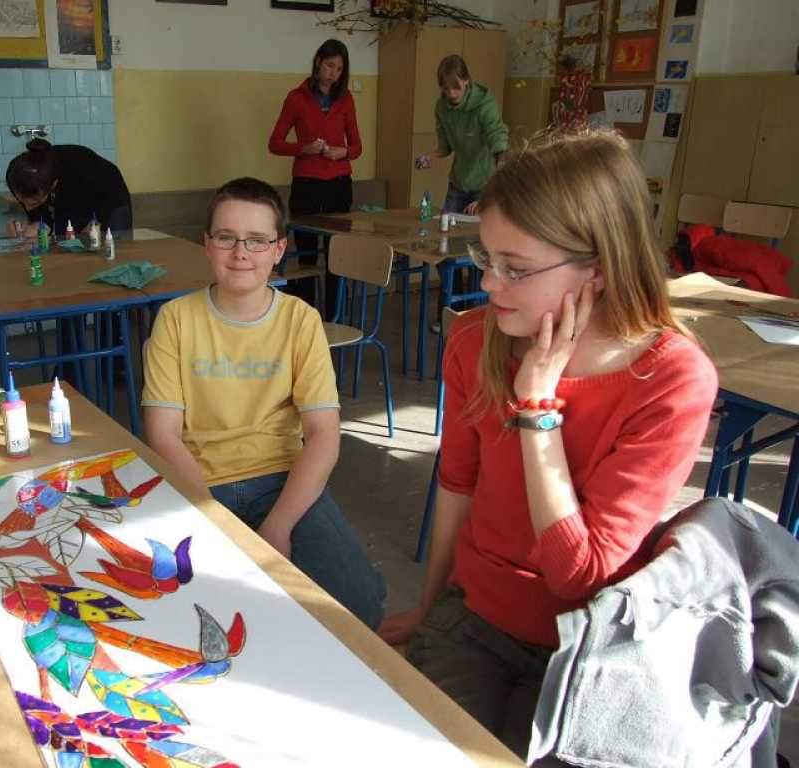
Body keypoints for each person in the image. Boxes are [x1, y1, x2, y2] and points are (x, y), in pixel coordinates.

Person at [379, 132, 718, 762]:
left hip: (584, 643)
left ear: (600, 267)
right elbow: (457, 484)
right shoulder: (476, 340)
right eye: (486, 258)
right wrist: (429, 607)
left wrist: (538, 405)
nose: (488, 282)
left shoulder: (671, 379)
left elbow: (577, 574)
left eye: (516, 268)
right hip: (475, 616)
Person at [141, 177, 385, 630]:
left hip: (281, 479)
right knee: (189, 613)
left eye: (257, 240)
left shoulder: (300, 320)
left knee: (361, 604)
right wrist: (212, 519)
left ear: (278, 249)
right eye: (226, 237)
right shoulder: (175, 319)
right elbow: (164, 434)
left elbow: (323, 435)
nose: (241, 252)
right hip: (199, 483)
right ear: (207, 244)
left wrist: (278, 527)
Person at [269, 38, 362, 318]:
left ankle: (335, 318)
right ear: (318, 62)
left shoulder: (345, 99)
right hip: (307, 185)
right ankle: (306, 318)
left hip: (338, 184)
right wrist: (305, 148)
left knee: (337, 254)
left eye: (339, 69)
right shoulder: (296, 98)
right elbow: (275, 143)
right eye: (330, 66)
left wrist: (343, 152)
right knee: (307, 256)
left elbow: (357, 146)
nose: (333, 73)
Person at [416, 54, 508, 332]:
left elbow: (499, 144)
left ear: (466, 82)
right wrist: (431, 157)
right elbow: (445, 147)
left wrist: (488, 196)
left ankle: (478, 318)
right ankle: (449, 315)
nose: (451, 94)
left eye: (455, 87)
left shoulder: (484, 104)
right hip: (459, 183)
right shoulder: (442, 107)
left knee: (480, 254)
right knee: (446, 249)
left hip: (486, 183)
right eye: (445, 88)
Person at [5, 139, 132, 239]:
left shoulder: (81, 168)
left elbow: (106, 200)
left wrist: (95, 223)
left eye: (34, 203)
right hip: (71, 196)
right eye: (21, 201)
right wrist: (37, 225)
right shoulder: (15, 177)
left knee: (111, 244)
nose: (27, 208)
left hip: (110, 196)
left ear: (53, 185)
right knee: (66, 244)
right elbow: (42, 217)